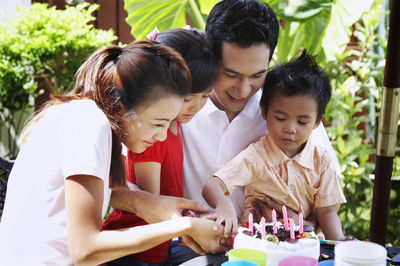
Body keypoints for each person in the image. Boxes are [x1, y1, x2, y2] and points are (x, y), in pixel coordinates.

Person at [0, 40, 224, 265]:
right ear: (120, 108)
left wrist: (149, 203)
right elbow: (85, 250)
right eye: (158, 123)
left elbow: (99, 191)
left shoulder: (82, 115)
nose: (163, 136)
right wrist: (184, 226)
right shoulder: (88, 122)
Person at [181, 0, 340, 225]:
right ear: (211, 58)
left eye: (257, 76)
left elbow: (326, 196)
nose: (242, 90)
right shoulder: (180, 105)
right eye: (231, 74)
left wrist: (304, 223)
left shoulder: (288, 110)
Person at [101, 28, 219, 266]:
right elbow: (151, 204)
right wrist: (194, 222)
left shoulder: (173, 127)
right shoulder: (150, 137)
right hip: (133, 252)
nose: (196, 106)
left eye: (205, 97)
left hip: (158, 248)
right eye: (187, 98)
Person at [202, 51, 347, 241]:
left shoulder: (322, 161)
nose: (290, 129)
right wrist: (223, 205)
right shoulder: (256, 156)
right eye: (280, 118)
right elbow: (212, 186)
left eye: (302, 122)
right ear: (264, 112)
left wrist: (340, 246)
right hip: (257, 244)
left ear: (317, 122)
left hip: (303, 245)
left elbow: (327, 213)